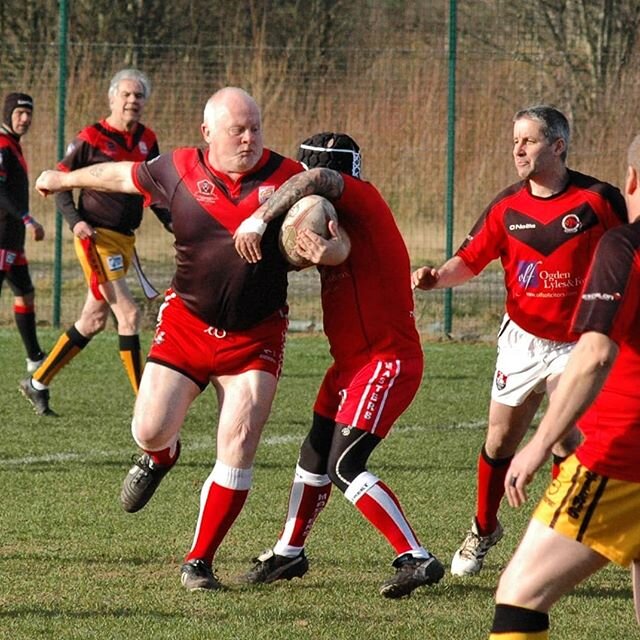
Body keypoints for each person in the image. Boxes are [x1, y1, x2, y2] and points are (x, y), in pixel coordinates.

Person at [34, 87, 307, 592]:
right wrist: (63, 178)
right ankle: (161, 455)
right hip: (187, 326)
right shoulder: (176, 167)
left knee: (240, 440)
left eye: (256, 127)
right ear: (208, 134)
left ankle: (198, 561)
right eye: (237, 130)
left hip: (255, 336)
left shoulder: (287, 178)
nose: (249, 138)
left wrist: (326, 242)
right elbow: (118, 175)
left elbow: (330, 212)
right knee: (149, 429)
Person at [411, 105, 627, 577]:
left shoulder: (598, 200)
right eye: (515, 142)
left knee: (564, 434)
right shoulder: (507, 206)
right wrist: (434, 278)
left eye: (527, 141)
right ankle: (484, 529)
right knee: (500, 438)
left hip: (575, 343)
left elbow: (630, 246)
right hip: (522, 340)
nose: (518, 150)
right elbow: (468, 260)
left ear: (558, 146)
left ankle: (557, 538)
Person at [234, 132, 444, 598]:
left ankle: (416, 557)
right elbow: (313, 249)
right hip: (349, 365)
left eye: (307, 174)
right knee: (313, 455)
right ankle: (289, 552)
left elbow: (318, 181)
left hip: (385, 362)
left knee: (345, 465)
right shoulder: (334, 221)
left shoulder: (363, 199)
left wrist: (257, 218)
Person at [488, 133, 640, 639]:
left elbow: (595, 354)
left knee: (519, 596)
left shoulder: (625, 244)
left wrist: (538, 445)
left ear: (633, 180)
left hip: (620, 460)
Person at [19, 68, 172, 417]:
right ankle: (145, 405)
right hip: (96, 239)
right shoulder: (90, 137)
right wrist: (77, 222)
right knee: (129, 315)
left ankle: (38, 382)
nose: (133, 101)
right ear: (112, 98)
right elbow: (59, 183)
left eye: (139, 96)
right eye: (127, 95)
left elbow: (156, 191)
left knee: (92, 320)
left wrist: (175, 224)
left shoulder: (148, 139)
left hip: (124, 241)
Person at [0, 92, 47, 377]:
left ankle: (34, 357)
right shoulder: (2, 146)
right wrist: (27, 218)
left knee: (25, 294)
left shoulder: (13, 145)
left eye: (28, 114)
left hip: (13, 240)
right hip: (2, 237)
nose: (25, 119)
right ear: (7, 114)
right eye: (19, 113)